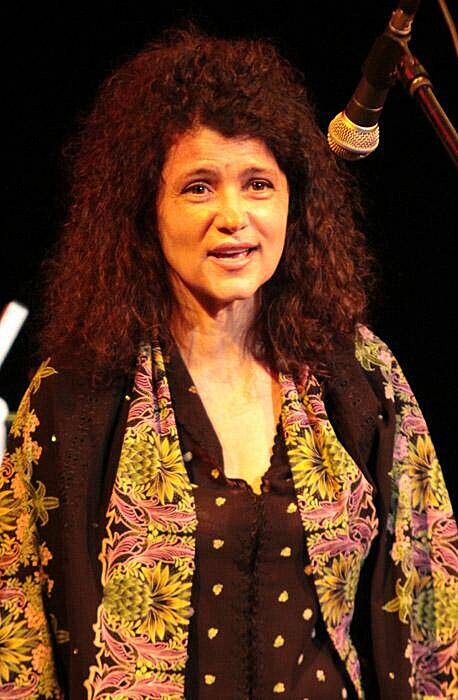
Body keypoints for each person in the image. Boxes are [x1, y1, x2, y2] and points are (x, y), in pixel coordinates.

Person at [0, 27, 456, 700]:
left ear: (294, 202)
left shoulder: (359, 375)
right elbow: (20, 634)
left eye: (258, 184)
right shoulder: (75, 395)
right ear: (146, 209)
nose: (233, 216)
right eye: (198, 187)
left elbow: (431, 593)